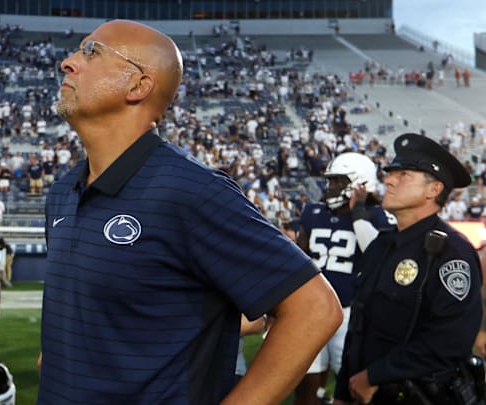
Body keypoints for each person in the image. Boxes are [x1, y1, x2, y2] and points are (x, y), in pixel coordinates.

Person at [38, 19, 342, 404]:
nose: (68, 62)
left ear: (139, 85)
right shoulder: (64, 191)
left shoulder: (191, 190)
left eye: (91, 52)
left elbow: (314, 308)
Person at [334, 133, 484, 405]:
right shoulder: (382, 245)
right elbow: (359, 326)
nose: (388, 180)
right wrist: (343, 392)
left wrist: (374, 376)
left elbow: (450, 341)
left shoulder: (452, 254)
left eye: (404, 175)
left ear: (433, 190)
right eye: (391, 173)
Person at [294, 152, 396, 405]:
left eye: (339, 181)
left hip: (350, 313)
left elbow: (376, 254)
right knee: (307, 386)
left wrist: (359, 212)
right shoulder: (312, 212)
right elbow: (298, 257)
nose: (331, 188)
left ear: (360, 183)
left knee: (353, 385)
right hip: (312, 311)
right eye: (331, 181)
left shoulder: (377, 215)